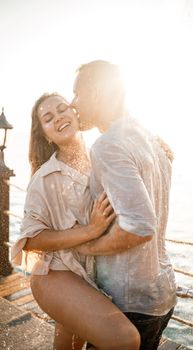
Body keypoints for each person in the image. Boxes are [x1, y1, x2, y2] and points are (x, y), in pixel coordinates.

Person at [11, 93, 141, 350]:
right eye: (48, 118)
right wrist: (91, 230)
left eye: (62, 109)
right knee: (125, 340)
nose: (58, 117)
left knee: (68, 344)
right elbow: (31, 240)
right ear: (46, 135)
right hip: (55, 275)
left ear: (76, 114)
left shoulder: (103, 158)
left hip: (90, 273)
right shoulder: (44, 179)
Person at [71, 60, 177, 350]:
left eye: (77, 94)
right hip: (160, 296)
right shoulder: (149, 138)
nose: (73, 103)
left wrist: (87, 247)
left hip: (127, 304)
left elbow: (140, 228)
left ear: (95, 93)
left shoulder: (108, 145)